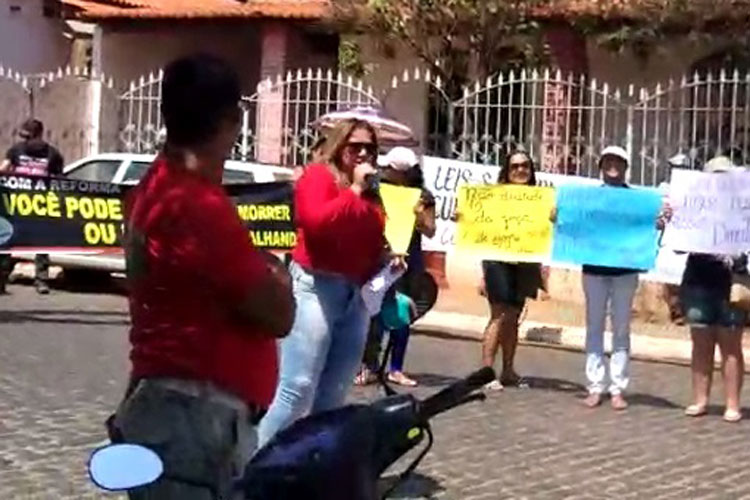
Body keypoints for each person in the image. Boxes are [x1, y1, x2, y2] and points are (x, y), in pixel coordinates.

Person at [109, 54, 295, 500]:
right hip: (194, 420)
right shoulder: (198, 208)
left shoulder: (156, 185)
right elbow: (277, 315)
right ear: (232, 121)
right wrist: (278, 275)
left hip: (173, 409)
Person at [257, 118, 393, 448]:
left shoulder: (375, 193)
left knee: (333, 393)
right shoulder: (318, 177)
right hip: (316, 287)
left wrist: (389, 254)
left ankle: (304, 467)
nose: (363, 153)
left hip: (356, 295)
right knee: (298, 386)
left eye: (370, 148)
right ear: (338, 145)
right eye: (355, 146)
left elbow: (371, 238)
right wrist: (355, 191)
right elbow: (317, 223)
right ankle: (250, 466)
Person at [572, 146, 670, 410]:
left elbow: (650, 227)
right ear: (601, 166)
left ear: (626, 167)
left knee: (621, 328)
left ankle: (617, 387)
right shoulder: (589, 199)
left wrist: (659, 222)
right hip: (594, 270)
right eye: (608, 162)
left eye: (618, 162)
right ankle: (595, 385)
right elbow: (574, 223)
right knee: (593, 327)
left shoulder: (638, 201)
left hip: (625, 272)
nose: (613, 166)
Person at [355, 146, 437, 387]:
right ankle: (369, 365)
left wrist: (419, 215)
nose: (385, 172)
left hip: (408, 261)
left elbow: (430, 230)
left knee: (401, 313)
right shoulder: (374, 190)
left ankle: (396, 368)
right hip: (379, 259)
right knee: (374, 310)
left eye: (390, 169)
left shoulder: (423, 196)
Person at [680, 156, 746, 423]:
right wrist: (670, 221)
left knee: (731, 344)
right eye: (714, 176)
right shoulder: (694, 208)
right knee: (701, 342)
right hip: (698, 280)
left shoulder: (744, 209)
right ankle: (700, 400)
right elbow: (677, 244)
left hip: (732, 283)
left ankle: (732, 404)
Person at [475, 150, 545, 391]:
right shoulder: (493, 196)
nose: (520, 170)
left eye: (525, 166)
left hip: (524, 264)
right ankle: (486, 371)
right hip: (497, 262)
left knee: (514, 317)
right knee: (499, 314)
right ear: (507, 171)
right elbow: (478, 227)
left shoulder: (538, 197)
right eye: (514, 167)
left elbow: (543, 233)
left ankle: (508, 370)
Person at [0, 118, 64, 295]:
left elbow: (61, 181)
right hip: (19, 204)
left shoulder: (51, 154)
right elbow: (4, 169)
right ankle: (3, 278)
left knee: (38, 243)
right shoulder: (17, 150)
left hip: (37, 205)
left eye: (29, 136)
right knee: (9, 242)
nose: (27, 141)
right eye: (25, 137)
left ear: (38, 135)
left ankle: (40, 280)